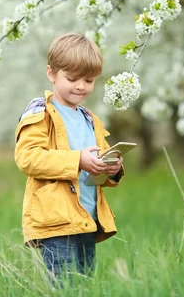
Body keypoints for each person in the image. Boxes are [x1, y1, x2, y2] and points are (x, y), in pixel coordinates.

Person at [14, 33, 124, 281]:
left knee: (85, 283)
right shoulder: (40, 114)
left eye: (89, 80)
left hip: (87, 216)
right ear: (51, 73)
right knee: (63, 285)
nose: (80, 86)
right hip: (56, 219)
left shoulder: (90, 119)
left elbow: (98, 161)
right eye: (72, 78)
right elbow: (28, 158)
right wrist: (77, 161)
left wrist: (112, 167)